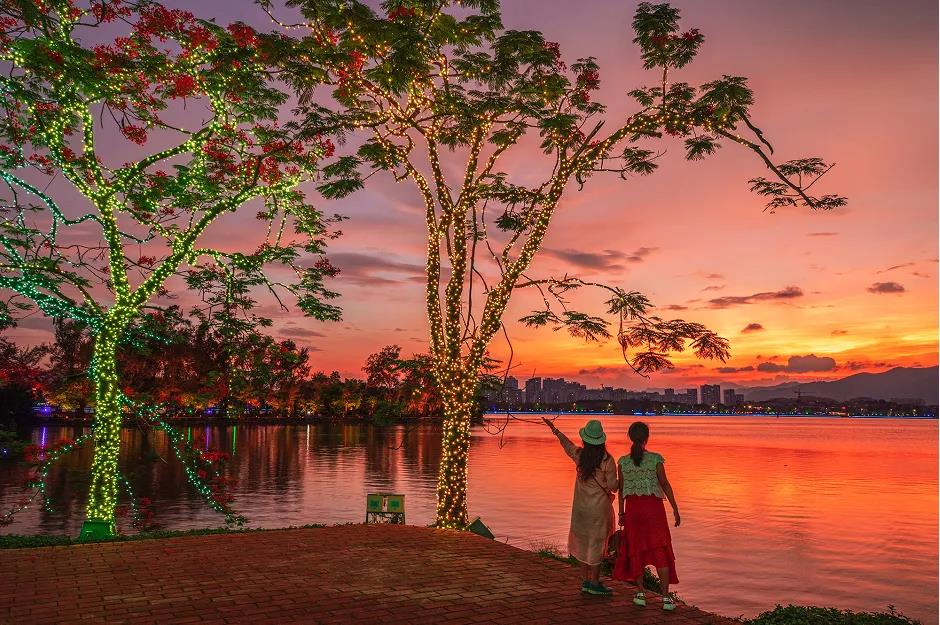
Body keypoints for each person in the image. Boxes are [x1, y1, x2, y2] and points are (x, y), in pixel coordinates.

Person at [543, 417, 618, 595]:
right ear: (601, 441)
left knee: (584, 542)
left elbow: (566, 445)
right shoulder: (607, 460)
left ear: (585, 440)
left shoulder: (580, 456)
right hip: (599, 510)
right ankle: (594, 583)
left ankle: (585, 581)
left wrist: (554, 430)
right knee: (597, 544)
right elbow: (614, 486)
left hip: (581, 509)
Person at [614, 421, 681, 611]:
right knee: (660, 548)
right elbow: (665, 484)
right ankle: (666, 598)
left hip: (633, 510)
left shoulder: (623, 461)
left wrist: (621, 512)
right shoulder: (655, 459)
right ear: (647, 438)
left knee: (635, 549)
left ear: (630, 437)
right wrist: (675, 508)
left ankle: (640, 593)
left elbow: (621, 490)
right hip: (654, 510)